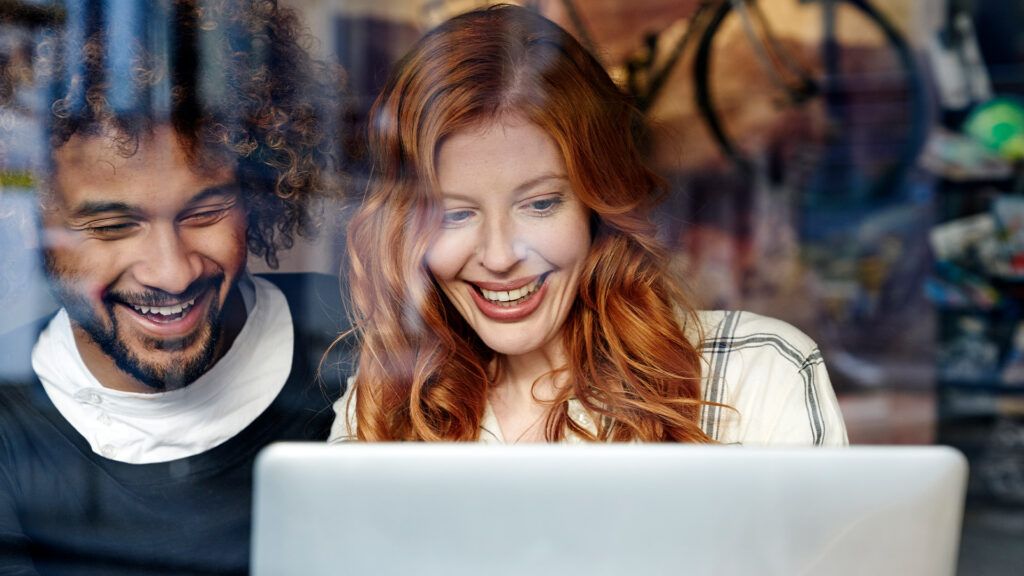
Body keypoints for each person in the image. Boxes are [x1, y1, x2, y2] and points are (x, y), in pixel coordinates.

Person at [330, 4, 846, 445]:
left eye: (540, 204)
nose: (500, 255)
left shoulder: (756, 373)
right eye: (454, 214)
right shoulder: (383, 409)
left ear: (597, 208)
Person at [0, 1, 350, 574]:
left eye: (205, 212)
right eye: (114, 227)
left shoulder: (356, 335)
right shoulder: (8, 423)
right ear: (31, 223)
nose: (172, 272)